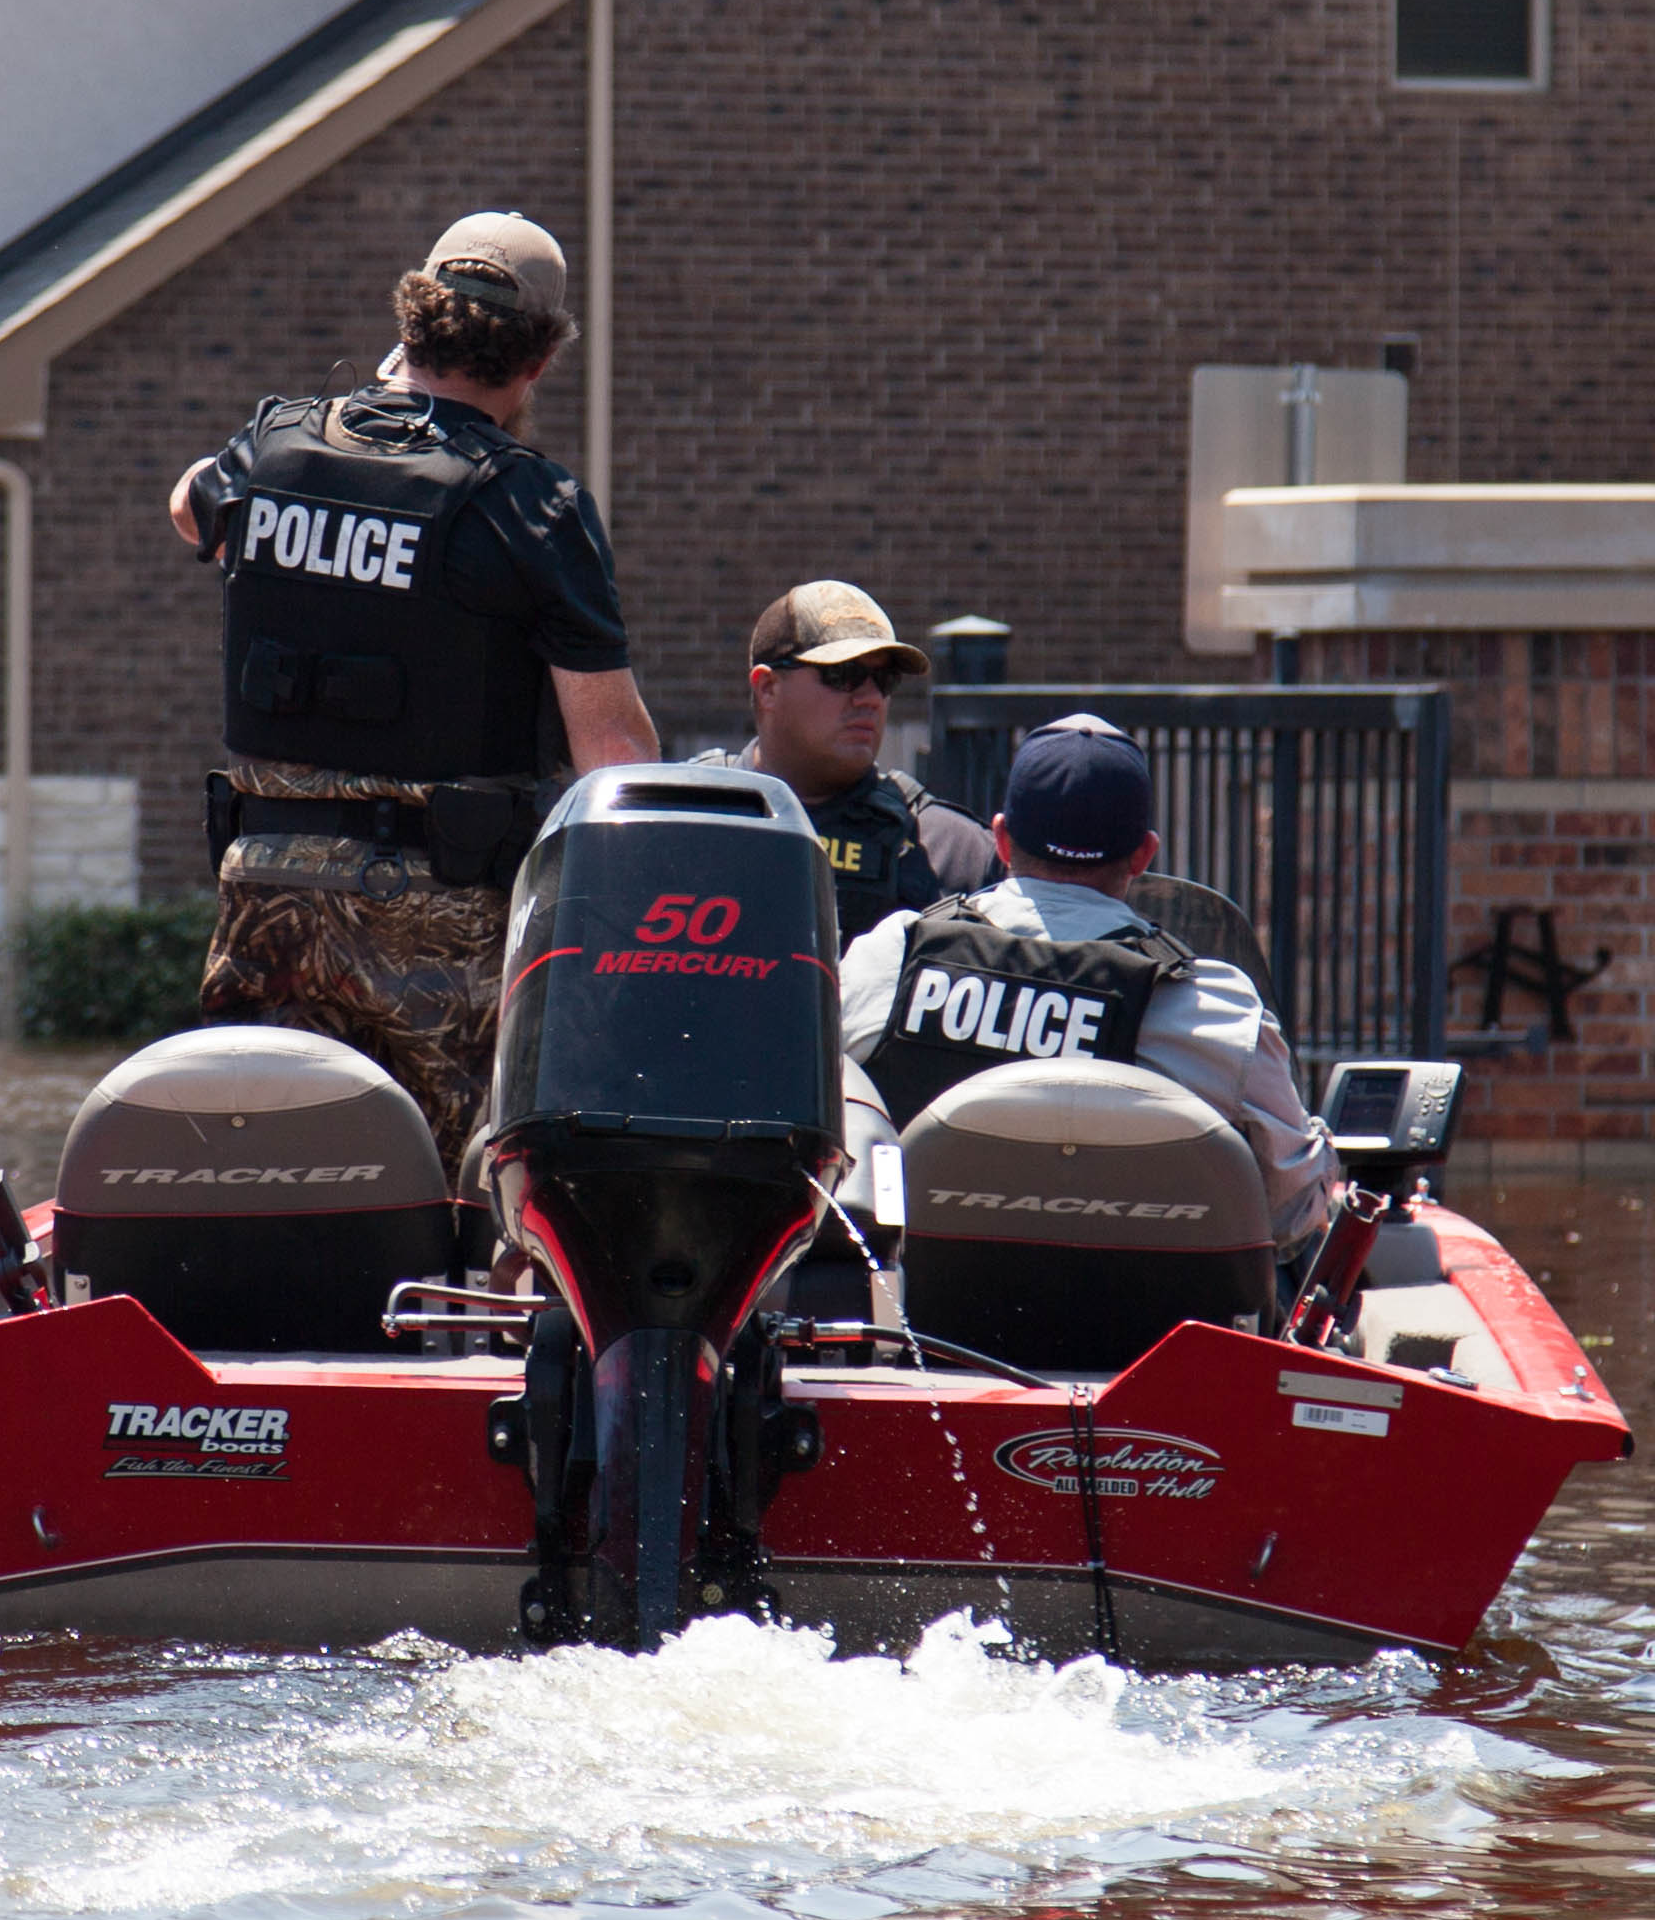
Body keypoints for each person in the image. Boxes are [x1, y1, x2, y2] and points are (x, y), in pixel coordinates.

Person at [171, 210, 657, 1153]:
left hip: (264, 899)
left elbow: (192, 507)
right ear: (539, 363)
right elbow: (615, 758)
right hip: (437, 918)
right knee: (439, 1177)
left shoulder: (273, 445)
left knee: (269, 1152)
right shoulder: (533, 507)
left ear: (410, 325)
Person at [840, 713, 1338, 1250]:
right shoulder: (1213, 1013)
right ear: (1144, 855)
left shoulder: (892, 958)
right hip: (1147, 1328)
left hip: (916, 1322)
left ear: (1002, 840)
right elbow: (1293, 1208)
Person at [703, 581, 994, 945]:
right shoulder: (681, 818)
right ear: (768, 689)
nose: (871, 698)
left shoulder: (952, 850)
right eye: (843, 675)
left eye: (884, 679)